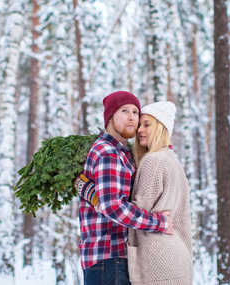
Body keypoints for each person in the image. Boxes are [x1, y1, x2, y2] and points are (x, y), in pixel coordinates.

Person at [77, 91, 174, 285]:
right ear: (110, 117)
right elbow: (113, 207)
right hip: (109, 258)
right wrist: (159, 223)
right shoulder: (108, 152)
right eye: (124, 111)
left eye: (135, 112)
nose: (132, 117)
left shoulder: (121, 153)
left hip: (113, 260)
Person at [128, 101, 193, 285]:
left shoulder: (153, 161)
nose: (139, 129)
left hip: (157, 263)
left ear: (161, 128)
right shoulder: (173, 161)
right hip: (178, 258)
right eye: (140, 124)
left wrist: (98, 198)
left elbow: (134, 215)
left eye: (147, 124)